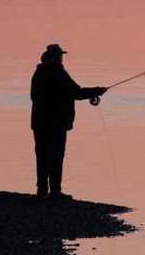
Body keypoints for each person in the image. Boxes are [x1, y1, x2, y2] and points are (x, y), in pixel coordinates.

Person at [29, 43, 106, 200]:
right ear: (56, 58)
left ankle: (42, 190)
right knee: (56, 155)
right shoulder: (58, 73)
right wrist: (97, 91)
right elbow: (76, 92)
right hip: (56, 123)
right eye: (60, 56)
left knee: (42, 155)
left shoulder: (38, 74)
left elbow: (35, 97)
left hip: (39, 122)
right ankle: (55, 191)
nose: (61, 58)